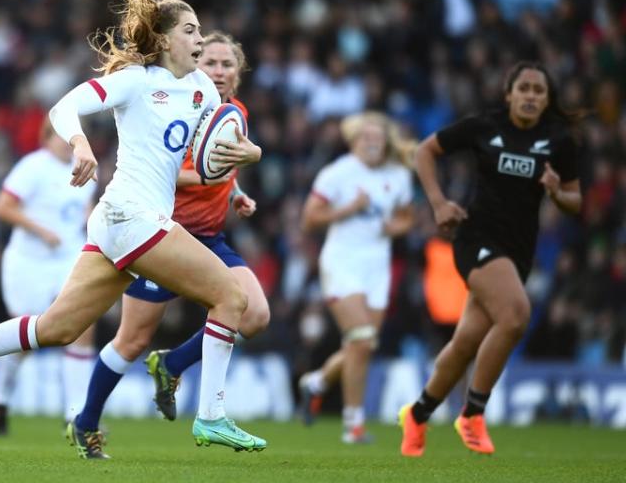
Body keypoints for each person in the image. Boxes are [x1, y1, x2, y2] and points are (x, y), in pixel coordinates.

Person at [0, 0, 267, 456]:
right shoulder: (137, 80)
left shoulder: (201, 90)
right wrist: (81, 144)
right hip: (129, 214)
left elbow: (201, 168)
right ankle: (211, 416)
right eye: (190, 29)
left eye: (200, 28)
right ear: (163, 40)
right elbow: (64, 107)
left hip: (125, 220)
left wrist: (250, 154)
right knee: (232, 296)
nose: (200, 37)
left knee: (57, 328)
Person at [66, 30, 269, 459]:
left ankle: (173, 365)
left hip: (209, 237)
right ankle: (86, 421)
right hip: (161, 235)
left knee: (254, 314)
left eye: (226, 64)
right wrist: (221, 176)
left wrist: (234, 194)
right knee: (132, 339)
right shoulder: (183, 100)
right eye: (209, 62)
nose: (216, 70)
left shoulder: (231, 114)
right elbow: (171, 169)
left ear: (238, 72)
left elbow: (217, 165)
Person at [399, 61, 581, 457]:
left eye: (539, 91)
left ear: (547, 100)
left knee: (465, 343)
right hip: (475, 238)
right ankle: (473, 413)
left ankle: (417, 414)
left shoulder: (558, 141)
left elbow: (575, 200)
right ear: (509, 94)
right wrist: (438, 203)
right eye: (525, 88)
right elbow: (425, 152)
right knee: (515, 315)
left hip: (519, 250)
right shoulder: (485, 126)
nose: (531, 96)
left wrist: (556, 192)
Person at [297, 112, 416, 444]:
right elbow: (309, 219)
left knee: (362, 345)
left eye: (378, 137)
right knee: (361, 339)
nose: (372, 142)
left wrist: (396, 227)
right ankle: (354, 425)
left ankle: (317, 382)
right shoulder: (337, 174)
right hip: (342, 261)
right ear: (354, 141)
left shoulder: (399, 175)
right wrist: (348, 209)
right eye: (366, 137)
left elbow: (407, 217)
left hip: (377, 267)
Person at [0, 119, 97, 436]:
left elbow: (85, 210)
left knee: (82, 324)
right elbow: (2, 207)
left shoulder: (88, 167)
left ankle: (76, 412)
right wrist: (40, 230)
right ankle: (0, 397)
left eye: (71, 138)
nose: (67, 143)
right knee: (25, 338)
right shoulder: (32, 167)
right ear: (46, 138)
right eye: (60, 137)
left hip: (68, 259)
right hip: (28, 262)